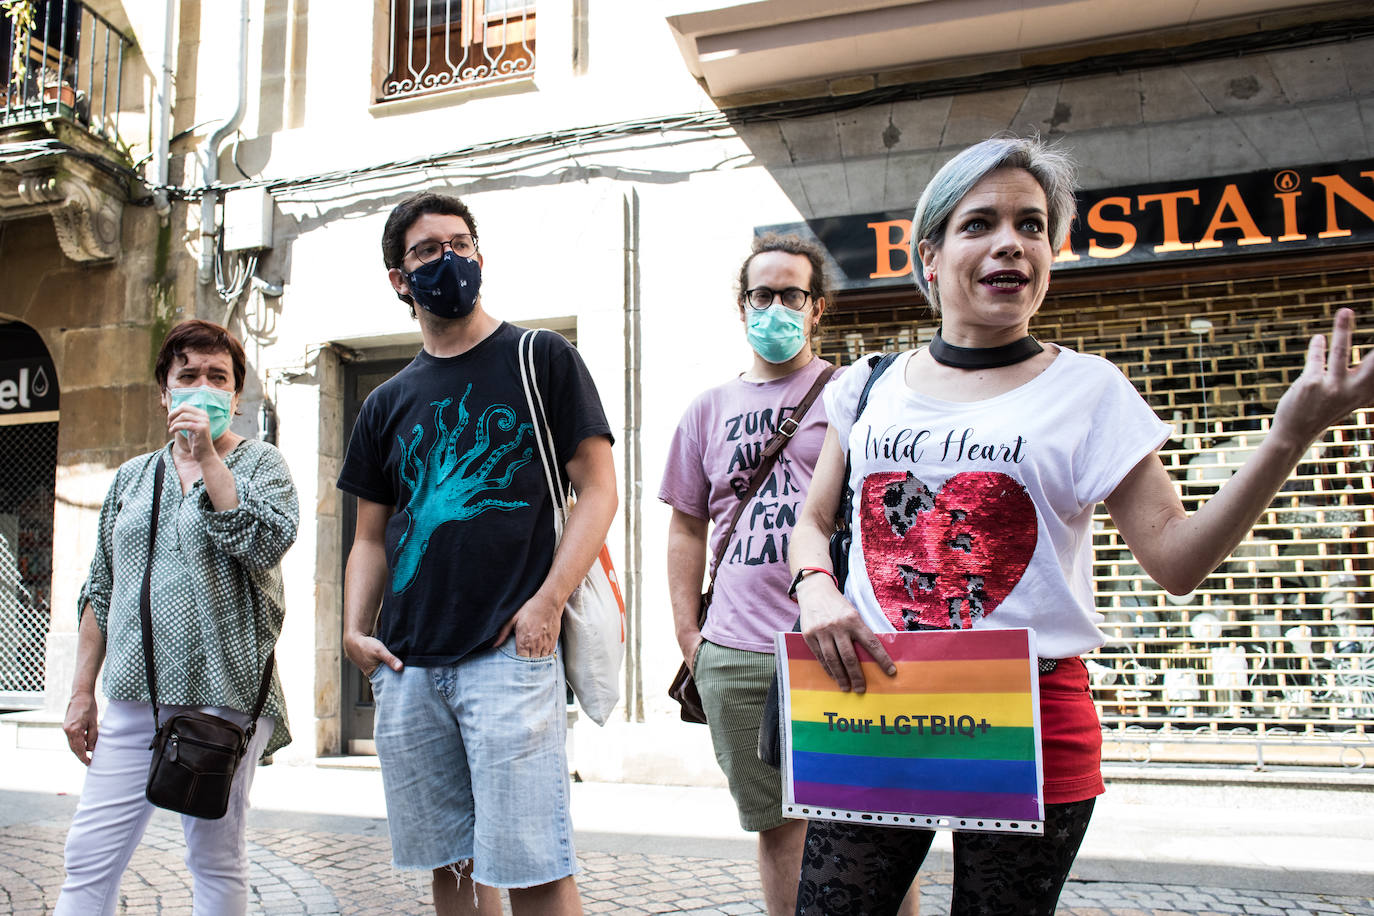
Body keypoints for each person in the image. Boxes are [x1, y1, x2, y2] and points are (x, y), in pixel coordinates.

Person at [786, 135, 1374, 915]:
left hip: (1030, 721)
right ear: (930, 255)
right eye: (979, 223)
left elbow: (1176, 561)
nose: (1011, 243)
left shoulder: (1091, 390)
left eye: (1031, 225)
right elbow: (813, 519)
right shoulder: (868, 385)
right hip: (875, 704)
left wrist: (1287, 439)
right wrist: (816, 588)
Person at [339, 191, 616, 916]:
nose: (449, 259)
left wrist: (547, 603)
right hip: (408, 664)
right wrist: (355, 631)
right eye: (428, 250)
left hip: (507, 655)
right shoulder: (385, 402)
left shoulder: (541, 357)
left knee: (534, 866)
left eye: (460, 244)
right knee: (453, 868)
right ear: (399, 278)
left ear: (481, 258)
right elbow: (369, 536)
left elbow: (599, 492)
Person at [661, 235, 919, 916]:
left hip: (844, 641)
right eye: (762, 295)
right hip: (737, 650)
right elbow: (686, 526)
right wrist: (690, 636)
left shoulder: (856, 392)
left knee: (878, 825)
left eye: (791, 295)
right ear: (742, 305)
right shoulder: (707, 409)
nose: (775, 308)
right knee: (779, 829)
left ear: (817, 307)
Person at [57, 319, 299, 916]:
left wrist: (207, 459)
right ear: (165, 392)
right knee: (88, 854)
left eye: (218, 377)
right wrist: (82, 692)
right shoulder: (133, 477)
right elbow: (101, 589)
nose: (202, 387)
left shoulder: (262, 465)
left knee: (214, 859)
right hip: (133, 697)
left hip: (222, 698)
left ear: (235, 397)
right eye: (187, 375)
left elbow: (266, 542)